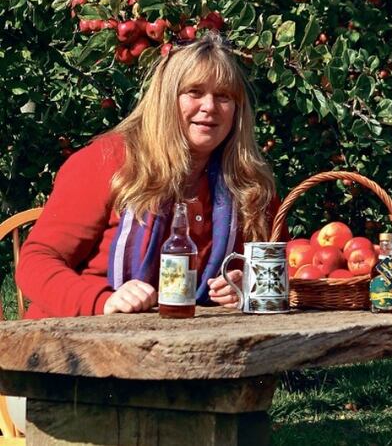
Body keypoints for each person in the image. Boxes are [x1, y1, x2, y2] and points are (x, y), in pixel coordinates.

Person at [16, 32, 282, 319]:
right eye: (194, 92)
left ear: (238, 110)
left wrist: (248, 285)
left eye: (223, 96)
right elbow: (35, 263)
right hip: (75, 344)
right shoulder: (108, 160)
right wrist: (102, 301)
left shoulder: (250, 183)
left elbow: (282, 268)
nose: (209, 106)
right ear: (166, 99)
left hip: (193, 346)